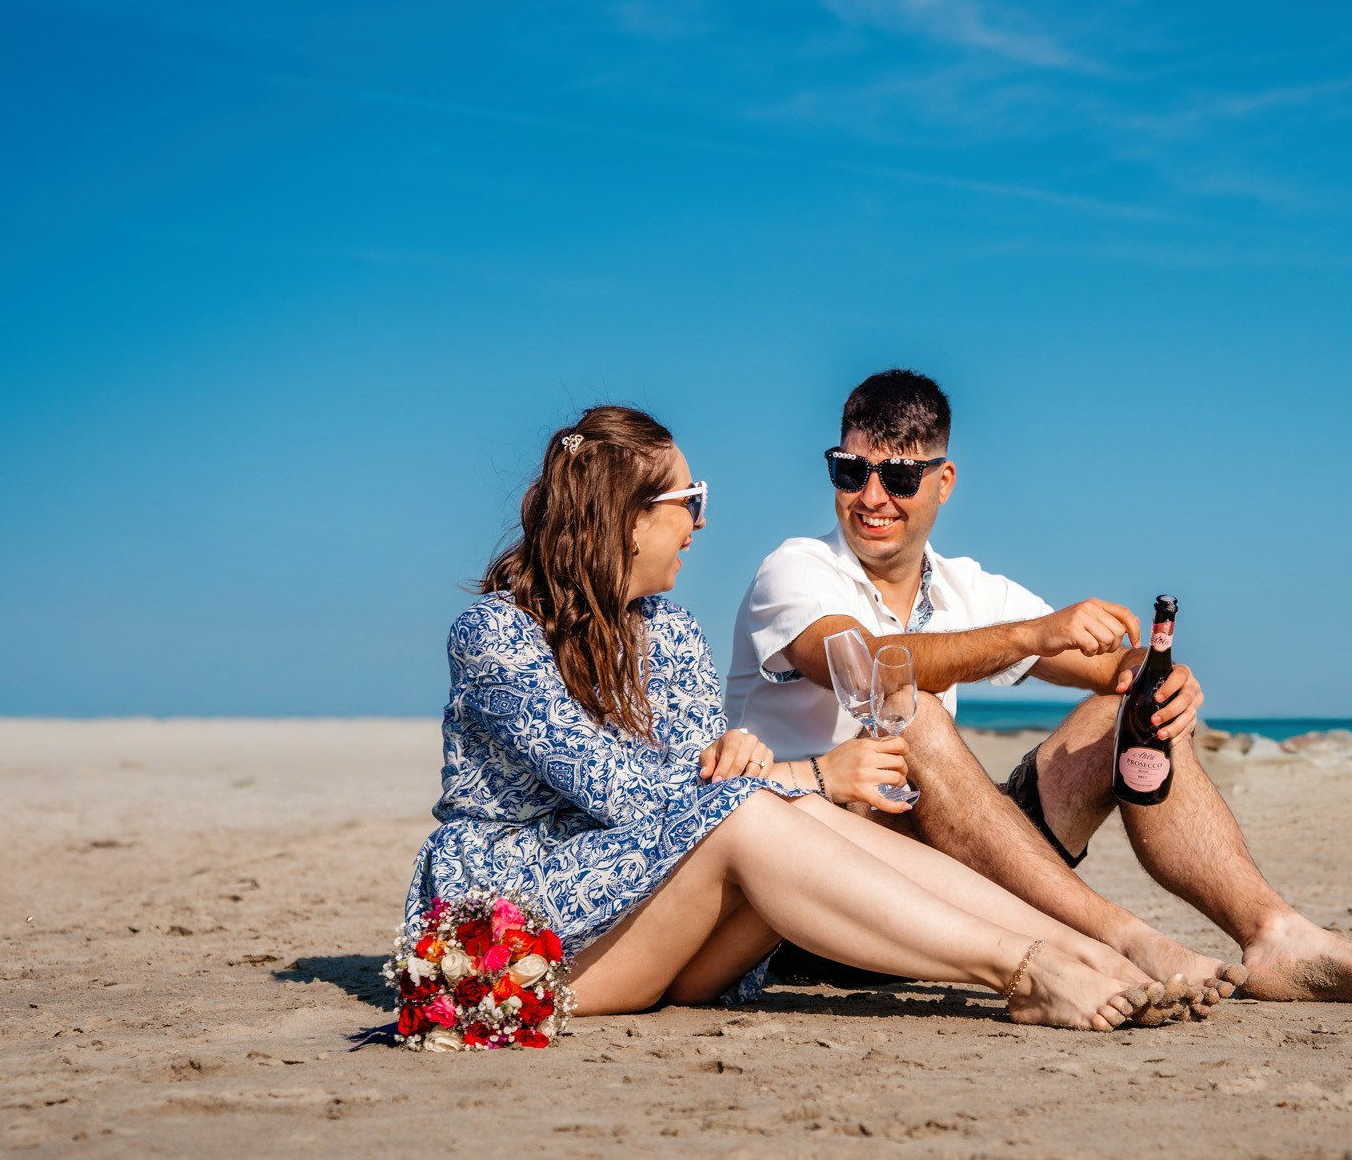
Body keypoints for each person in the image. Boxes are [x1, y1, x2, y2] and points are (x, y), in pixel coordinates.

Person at [402, 404, 1198, 1030]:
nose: (702, 520)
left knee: (771, 809)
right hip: (519, 938)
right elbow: (631, 796)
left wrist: (762, 771)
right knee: (765, 807)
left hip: (656, 926)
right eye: (690, 500)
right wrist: (807, 773)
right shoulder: (494, 637)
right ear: (627, 514)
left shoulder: (670, 632)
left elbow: (694, 786)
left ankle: (1081, 946)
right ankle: (1024, 969)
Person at [726, 372, 1352, 1005]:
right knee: (914, 720)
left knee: (1125, 714)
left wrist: (1160, 681)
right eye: (851, 471)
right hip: (825, 903)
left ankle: (1274, 933)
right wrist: (1031, 634)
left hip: (953, 878)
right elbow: (870, 662)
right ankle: (1119, 937)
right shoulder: (794, 570)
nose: (871, 496)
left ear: (943, 482)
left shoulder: (968, 586)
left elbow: (1110, 668)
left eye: (899, 477)